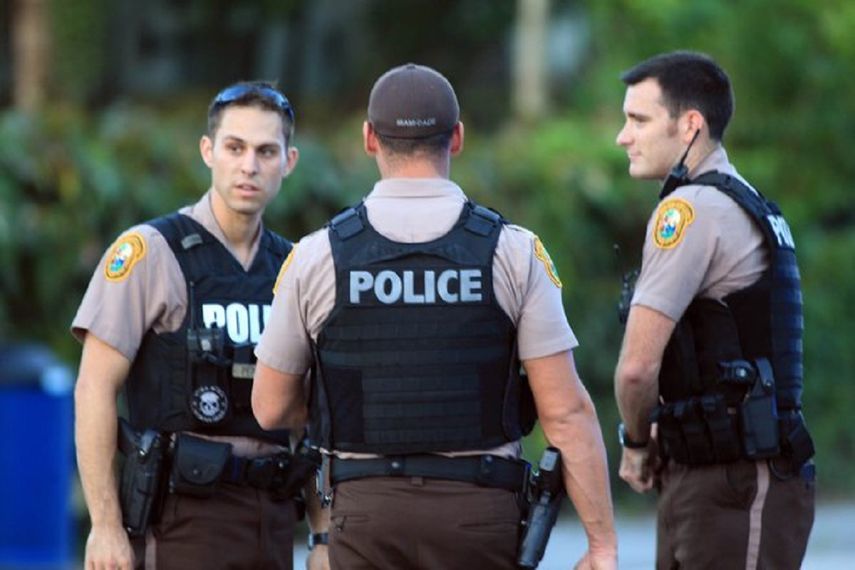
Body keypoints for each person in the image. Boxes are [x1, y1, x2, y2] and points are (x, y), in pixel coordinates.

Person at [252, 63, 617, 570]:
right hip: (480, 513)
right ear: (459, 137)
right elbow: (566, 412)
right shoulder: (514, 252)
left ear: (369, 139)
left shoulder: (317, 256)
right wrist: (601, 545)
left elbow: (270, 408)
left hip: (365, 514)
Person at [72, 81, 328, 570]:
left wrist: (322, 536)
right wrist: (103, 528)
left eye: (266, 151)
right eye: (235, 148)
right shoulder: (151, 253)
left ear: (289, 162)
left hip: (271, 518)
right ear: (208, 151)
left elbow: (313, 419)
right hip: (178, 522)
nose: (249, 165)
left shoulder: (296, 267)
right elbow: (93, 390)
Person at [613, 51, 815, 569]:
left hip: (734, 479)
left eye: (638, 119)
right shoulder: (744, 200)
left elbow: (637, 369)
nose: (623, 136)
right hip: (720, 472)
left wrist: (635, 444)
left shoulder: (691, 210)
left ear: (690, 125)